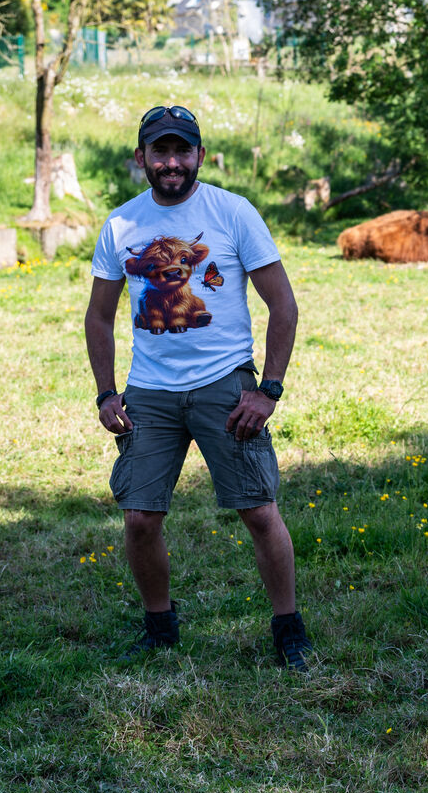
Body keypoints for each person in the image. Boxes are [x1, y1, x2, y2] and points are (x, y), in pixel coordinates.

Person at [84, 104, 311, 669]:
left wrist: (268, 390)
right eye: (160, 151)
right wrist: (106, 393)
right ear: (141, 158)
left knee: (258, 510)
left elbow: (283, 304)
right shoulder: (121, 225)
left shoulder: (233, 213)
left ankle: (289, 629)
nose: (171, 163)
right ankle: (159, 628)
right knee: (140, 518)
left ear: (200, 155)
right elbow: (99, 316)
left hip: (224, 384)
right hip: (149, 392)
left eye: (182, 150)